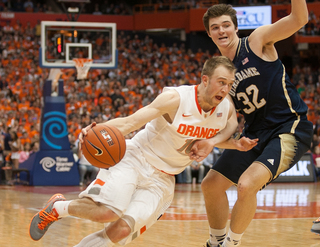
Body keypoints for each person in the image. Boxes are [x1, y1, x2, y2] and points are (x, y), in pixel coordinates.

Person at [29, 56, 258, 246]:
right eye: (221, 82)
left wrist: (235, 144)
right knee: (107, 212)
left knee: (121, 231)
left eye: (229, 84)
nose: (226, 89)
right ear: (205, 80)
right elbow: (131, 122)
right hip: (136, 157)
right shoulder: (175, 99)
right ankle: (56, 209)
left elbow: (224, 135)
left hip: (165, 178)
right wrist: (95, 129)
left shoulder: (226, 108)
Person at [192, 2, 314, 247]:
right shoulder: (219, 71)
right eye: (215, 27)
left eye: (226, 25)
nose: (221, 30)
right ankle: (215, 241)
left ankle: (232, 243)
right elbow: (229, 122)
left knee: (247, 185)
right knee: (211, 185)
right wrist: (215, 141)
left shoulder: (256, 41)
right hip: (254, 134)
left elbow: (299, 19)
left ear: (236, 28)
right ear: (209, 33)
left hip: (289, 127)